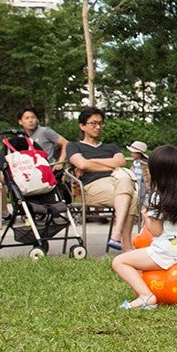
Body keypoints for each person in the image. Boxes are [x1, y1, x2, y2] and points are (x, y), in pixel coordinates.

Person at [112, 144, 177, 310]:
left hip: (167, 253)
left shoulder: (157, 197)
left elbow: (156, 231)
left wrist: (146, 217)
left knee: (119, 261)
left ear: (155, 171)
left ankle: (146, 296)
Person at [66, 107, 136, 253]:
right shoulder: (73, 146)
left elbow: (121, 163)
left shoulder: (111, 146)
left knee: (124, 179)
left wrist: (91, 161)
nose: (98, 127)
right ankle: (126, 245)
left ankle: (117, 236)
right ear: (82, 126)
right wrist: (109, 164)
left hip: (116, 181)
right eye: (93, 123)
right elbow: (81, 164)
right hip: (92, 185)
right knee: (132, 197)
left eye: (101, 123)